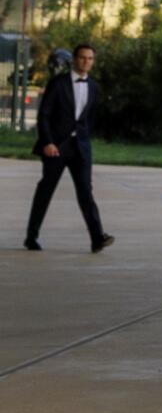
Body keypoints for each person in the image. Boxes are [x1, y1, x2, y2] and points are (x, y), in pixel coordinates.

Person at [24, 43, 113, 254]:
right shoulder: (58, 84)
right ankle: (31, 236)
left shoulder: (93, 87)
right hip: (56, 147)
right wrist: (48, 142)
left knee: (85, 191)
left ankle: (97, 238)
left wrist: (84, 138)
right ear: (74, 59)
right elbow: (43, 115)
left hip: (80, 148)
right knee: (46, 190)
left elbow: (89, 118)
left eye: (90, 59)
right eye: (82, 58)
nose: (86, 62)